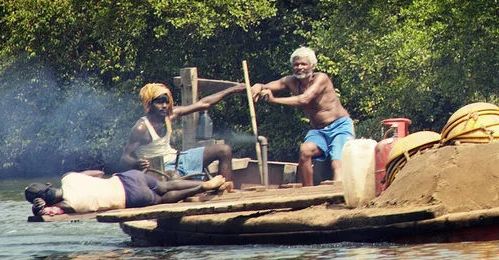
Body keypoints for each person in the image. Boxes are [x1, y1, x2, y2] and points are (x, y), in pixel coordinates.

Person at [250, 46, 354, 186]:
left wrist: (274, 100)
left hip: (339, 126)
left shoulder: (321, 78)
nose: (300, 67)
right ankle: (308, 194)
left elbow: (304, 99)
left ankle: (337, 196)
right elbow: (268, 86)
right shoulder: (291, 81)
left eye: (303, 64)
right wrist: (258, 86)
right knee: (305, 151)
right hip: (318, 130)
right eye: (296, 65)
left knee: (337, 164)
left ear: (312, 65)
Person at [120, 82, 246, 181]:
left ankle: (225, 190)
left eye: (166, 102)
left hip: (179, 158)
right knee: (175, 178)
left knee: (224, 150)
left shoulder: (169, 116)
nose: (164, 106)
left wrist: (233, 90)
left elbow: (204, 103)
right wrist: (137, 163)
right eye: (159, 102)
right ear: (149, 104)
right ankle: (202, 187)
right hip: (160, 169)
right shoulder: (141, 128)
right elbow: (125, 157)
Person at [24, 169, 231, 216]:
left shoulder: (69, 205)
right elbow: (98, 172)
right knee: (166, 186)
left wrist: (39, 210)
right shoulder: (68, 177)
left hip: (129, 198)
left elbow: (52, 213)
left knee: (163, 199)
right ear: (49, 185)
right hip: (127, 177)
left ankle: (201, 188)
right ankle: (205, 182)